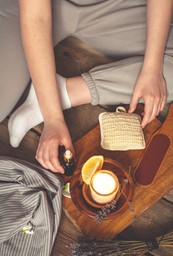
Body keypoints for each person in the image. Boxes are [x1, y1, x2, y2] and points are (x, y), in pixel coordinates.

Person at [1, 0, 173, 174]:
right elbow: (36, 18)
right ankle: (51, 96)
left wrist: (152, 68)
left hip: (115, 8)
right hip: (31, 11)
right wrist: (53, 118)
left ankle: (65, 92)